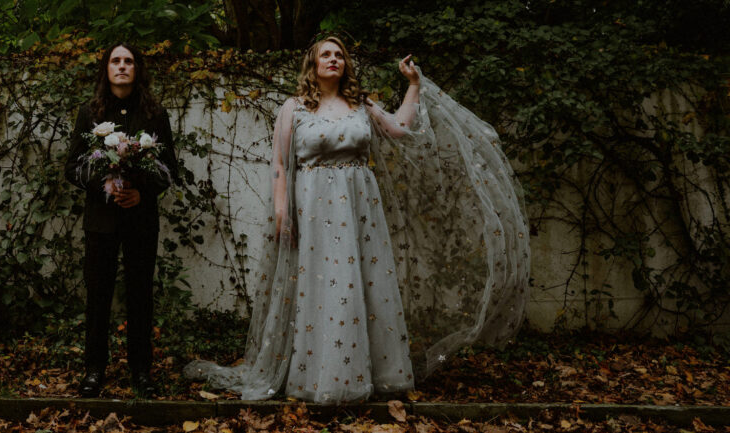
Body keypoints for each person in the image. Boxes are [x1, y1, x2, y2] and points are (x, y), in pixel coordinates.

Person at [185, 36, 530, 403]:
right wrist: (282, 211)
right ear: (313, 65)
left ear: (345, 65)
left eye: (339, 55)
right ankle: (317, 377)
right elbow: (280, 164)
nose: (333, 59)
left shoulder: (360, 104)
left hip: (358, 208)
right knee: (319, 289)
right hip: (313, 209)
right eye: (325, 55)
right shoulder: (294, 108)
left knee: (358, 284)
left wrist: (413, 86)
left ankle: (370, 374)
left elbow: (399, 127)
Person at [65, 43, 178, 398]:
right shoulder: (90, 112)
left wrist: (141, 193)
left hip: (141, 219)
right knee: (98, 296)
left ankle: (141, 371)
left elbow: (169, 169)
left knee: (140, 295)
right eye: (116, 61)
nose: (122, 66)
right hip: (101, 220)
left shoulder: (155, 114)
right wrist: (104, 182)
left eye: (129, 61)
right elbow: (72, 168)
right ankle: (94, 370)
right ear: (106, 69)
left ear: (137, 68)